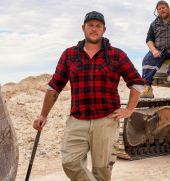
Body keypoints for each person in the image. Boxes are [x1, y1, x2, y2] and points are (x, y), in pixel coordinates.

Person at [33, 11, 145, 181]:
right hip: (77, 121)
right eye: (90, 25)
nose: (94, 29)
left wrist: (128, 110)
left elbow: (136, 82)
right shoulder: (70, 55)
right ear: (83, 28)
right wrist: (43, 114)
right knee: (70, 163)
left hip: (106, 121)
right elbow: (54, 86)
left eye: (98, 26)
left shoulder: (117, 55)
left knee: (102, 171)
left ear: (104, 29)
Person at [140, 0, 170, 98]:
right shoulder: (154, 24)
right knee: (147, 59)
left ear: (168, 8)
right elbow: (149, 39)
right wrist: (153, 50)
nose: (161, 10)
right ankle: (147, 87)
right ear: (157, 11)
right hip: (160, 50)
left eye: (163, 7)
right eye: (159, 9)